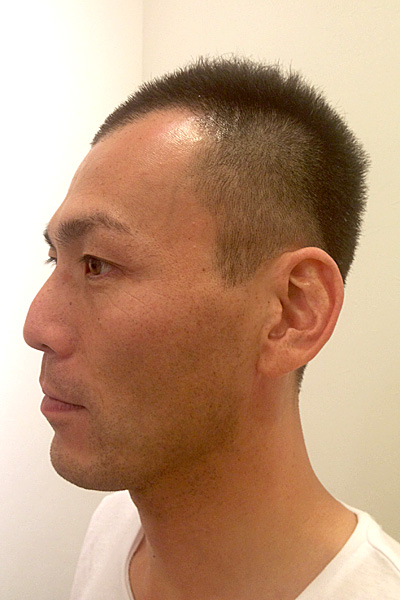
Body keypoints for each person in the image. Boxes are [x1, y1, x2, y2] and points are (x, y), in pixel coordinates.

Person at [23, 57, 400, 600]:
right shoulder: (114, 530)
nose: (37, 327)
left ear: (292, 312)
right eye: (53, 258)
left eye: (97, 264)